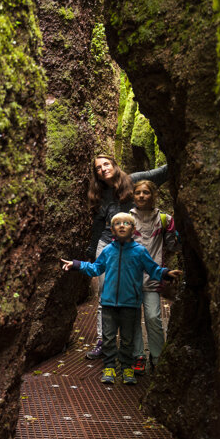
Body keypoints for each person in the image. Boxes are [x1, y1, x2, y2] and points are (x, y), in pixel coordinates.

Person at [61, 213, 182, 385]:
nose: (122, 225)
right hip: (109, 303)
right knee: (109, 338)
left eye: (126, 223)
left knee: (127, 338)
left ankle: (126, 367)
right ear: (112, 230)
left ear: (133, 229)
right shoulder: (108, 251)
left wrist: (166, 273)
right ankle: (109, 366)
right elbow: (96, 268)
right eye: (118, 223)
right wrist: (76, 264)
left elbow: (152, 269)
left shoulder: (140, 251)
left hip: (130, 303)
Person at [85, 154, 169, 359]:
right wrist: (92, 251)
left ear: (115, 165)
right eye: (98, 168)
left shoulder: (134, 180)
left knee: (132, 297)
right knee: (105, 293)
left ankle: (137, 349)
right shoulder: (100, 194)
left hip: (132, 244)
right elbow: (98, 224)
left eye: (106, 164)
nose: (103, 169)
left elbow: (161, 173)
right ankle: (103, 341)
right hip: (107, 245)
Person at [130, 180, 180, 375]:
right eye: (138, 193)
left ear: (153, 195)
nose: (142, 196)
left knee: (153, 317)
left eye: (146, 192)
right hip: (131, 277)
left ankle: (157, 357)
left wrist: (179, 233)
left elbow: (172, 246)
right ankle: (138, 356)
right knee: (133, 319)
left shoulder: (163, 219)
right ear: (133, 196)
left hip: (153, 276)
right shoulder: (127, 218)